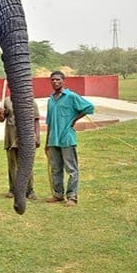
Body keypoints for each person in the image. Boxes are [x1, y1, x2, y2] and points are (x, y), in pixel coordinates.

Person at [44, 70, 95, 207]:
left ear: (63, 81)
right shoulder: (50, 100)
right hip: (53, 139)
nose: (55, 82)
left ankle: (72, 197)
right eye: (52, 80)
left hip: (67, 138)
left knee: (71, 169)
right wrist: (47, 143)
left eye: (58, 79)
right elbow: (49, 123)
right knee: (56, 169)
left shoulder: (71, 96)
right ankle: (58, 194)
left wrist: (74, 119)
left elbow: (89, 107)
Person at [0, 95, 41, 200]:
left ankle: (29, 190)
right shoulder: (6, 101)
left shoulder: (30, 100)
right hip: (11, 137)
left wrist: (37, 137)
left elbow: (36, 120)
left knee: (26, 165)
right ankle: (12, 189)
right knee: (12, 165)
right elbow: (1, 119)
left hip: (25, 138)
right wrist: (0, 114)